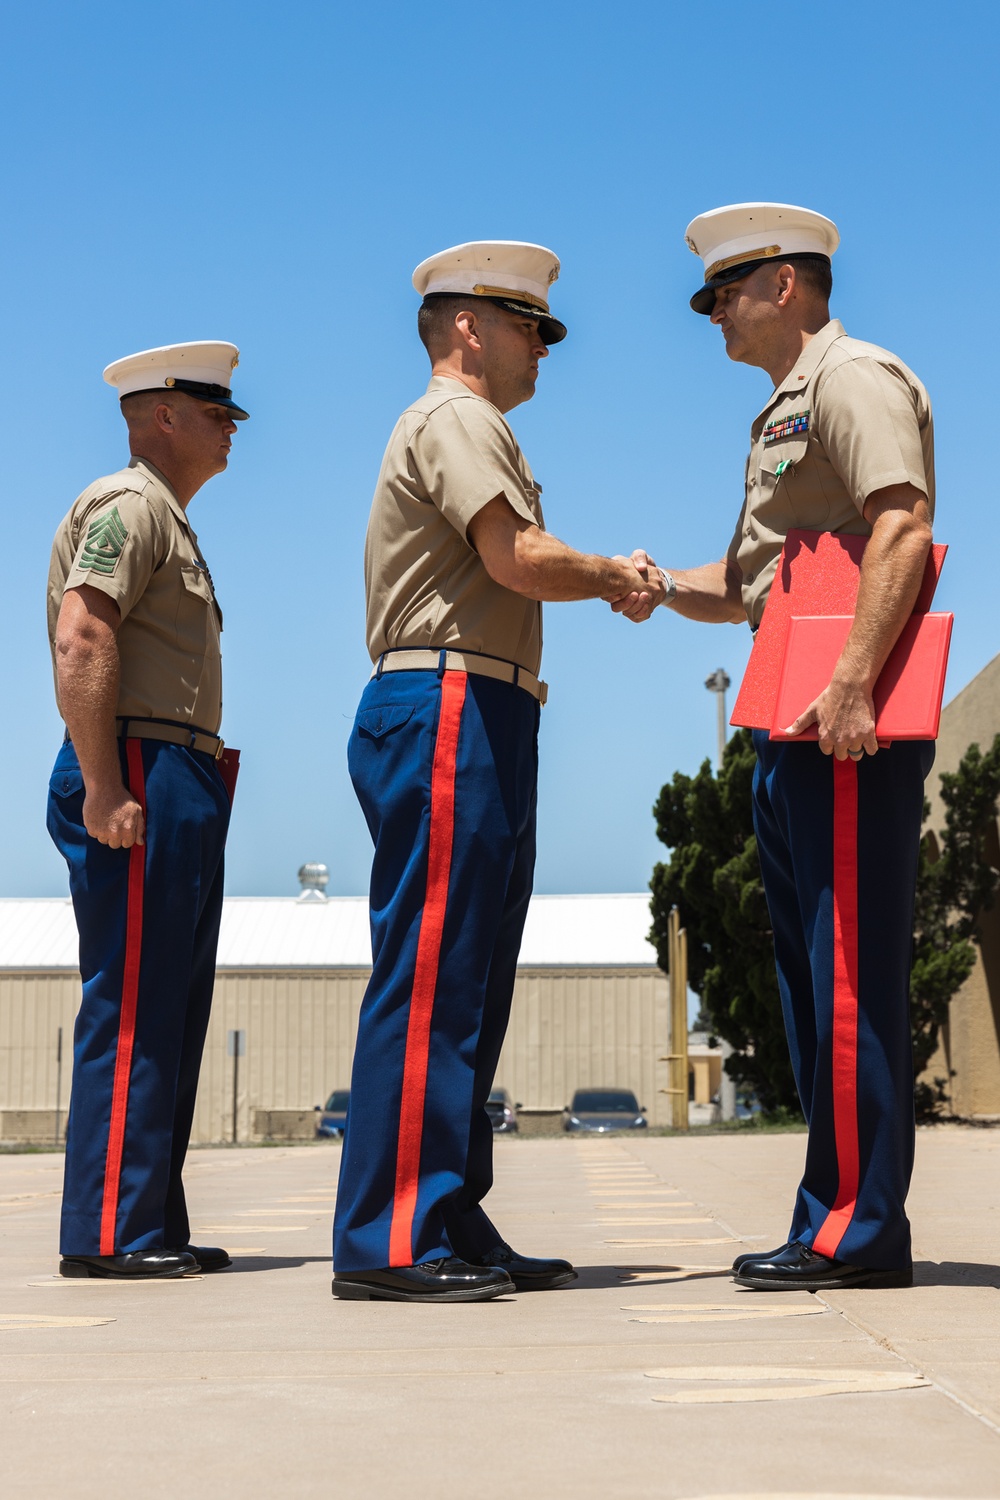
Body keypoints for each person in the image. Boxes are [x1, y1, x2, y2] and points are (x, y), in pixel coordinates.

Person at [332, 241, 664, 1302]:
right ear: (466, 324)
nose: (541, 346)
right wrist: (614, 573)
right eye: (527, 325)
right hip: (445, 703)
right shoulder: (458, 419)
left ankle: (445, 1208)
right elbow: (514, 558)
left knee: (467, 983)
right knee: (432, 977)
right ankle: (391, 1236)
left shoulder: (477, 427)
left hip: (482, 706)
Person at [644, 203, 934, 1290]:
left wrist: (853, 679)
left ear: (784, 283)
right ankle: (835, 1211)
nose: (714, 312)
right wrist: (654, 585)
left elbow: (898, 522)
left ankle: (854, 1228)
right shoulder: (782, 407)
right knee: (816, 982)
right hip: (789, 716)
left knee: (848, 972)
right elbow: (753, 582)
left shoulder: (853, 378)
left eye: (725, 291)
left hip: (838, 720)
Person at [47, 342, 248, 1279]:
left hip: (173, 767)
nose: (230, 426)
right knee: (132, 1003)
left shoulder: (168, 517)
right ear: (162, 412)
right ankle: (110, 1232)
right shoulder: (131, 507)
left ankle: (146, 1217)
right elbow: (83, 634)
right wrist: (104, 785)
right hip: (135, 764)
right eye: (216, 410)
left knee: (168, 1005)